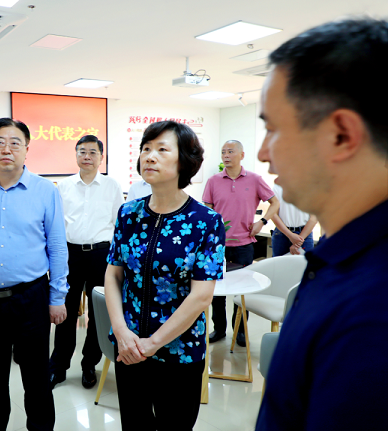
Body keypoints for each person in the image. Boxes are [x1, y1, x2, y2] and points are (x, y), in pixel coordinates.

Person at [255, 18, 388, 431]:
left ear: (340, 136)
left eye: (272, 129)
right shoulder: (340, 263)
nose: (262, 152)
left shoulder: (371, 313)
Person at [105, 121, 225, 431]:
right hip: (129, 347)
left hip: (179, 351)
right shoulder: (128, 213)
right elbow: (113, 275)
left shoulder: (206, 221)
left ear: (184, 160)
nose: (149, 156)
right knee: (134, 425)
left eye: (161, 149)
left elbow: (202, 295)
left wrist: (153, 344)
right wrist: (121, 331)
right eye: (146, 149)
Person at [0, 118, 68, 431]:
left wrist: (57, 297)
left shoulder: (45, 191)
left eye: (15, 143)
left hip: (31, 297)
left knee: (36, 377)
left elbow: (57, 247)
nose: (7, 149)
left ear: (26, 150)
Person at [49, 135, 123, 390]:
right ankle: (58, 366)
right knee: (65, 311)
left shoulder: (112, 186)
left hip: (101, 255)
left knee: (98, 312)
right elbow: (56, 224)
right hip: (70, 254)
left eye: (93, 152)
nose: (87, 156)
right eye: (82, 151)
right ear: (76, 155)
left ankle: (89, 363)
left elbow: (119, 225)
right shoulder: (63, 186)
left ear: (101, 157)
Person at [202, 140, 278, 346]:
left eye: (230, 151)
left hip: (244, 245)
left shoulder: (255, 179)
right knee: (217, 291)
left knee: (242, 291)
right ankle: (219, 329)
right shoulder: (213, 181)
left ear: (242, 155)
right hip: (218, 246)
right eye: (223, 152)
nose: (226, 155)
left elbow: (274, 203)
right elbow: (207, 210)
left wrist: (262, 222)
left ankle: (241, 331)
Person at [270, 184, 317, 256]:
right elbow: (273, 214)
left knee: (304, 263)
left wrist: (298, 241)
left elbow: (314, 218)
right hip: (282, 234)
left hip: (304, 234)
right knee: (279, 263)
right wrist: (290, 235)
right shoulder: (278, 186)